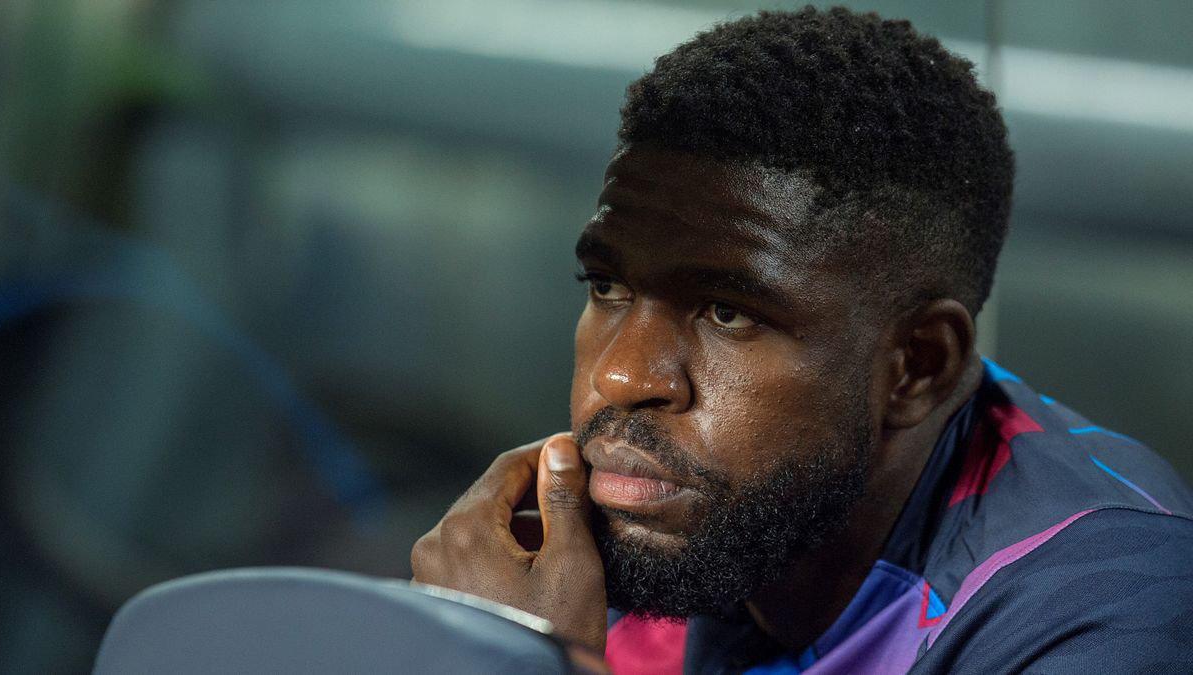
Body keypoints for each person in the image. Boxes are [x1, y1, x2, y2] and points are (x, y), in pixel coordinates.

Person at [410, 7, 1193, 673]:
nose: (621, 375)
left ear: (917, 365)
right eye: (609, 286)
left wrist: (513, 657)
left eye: (727, 312)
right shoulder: (670, 534)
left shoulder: (1109, 606)